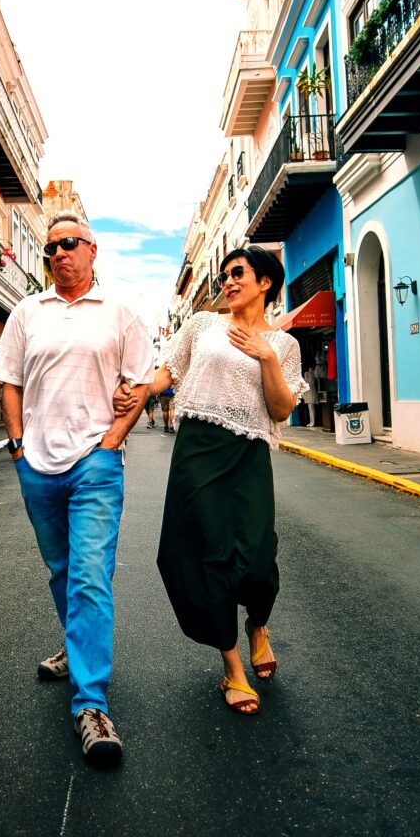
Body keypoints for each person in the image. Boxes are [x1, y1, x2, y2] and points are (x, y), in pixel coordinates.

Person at [0, 211, 153, 766]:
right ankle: (75, 645)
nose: (58, 253)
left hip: (95, 463)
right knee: (61, 571)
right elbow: (8, 381)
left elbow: (140, 385)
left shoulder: (120, 311)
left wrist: (113, 440)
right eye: (51, 247)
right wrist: (17, 447)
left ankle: (91, 705)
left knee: (88, 574)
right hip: (37, 463)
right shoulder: (26, 312)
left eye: (69, 244)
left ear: (92, 250)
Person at [115, 246, 306, 715]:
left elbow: (281, 409)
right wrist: (138, 389)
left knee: (259, 558)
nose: (228, 281)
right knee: (209, 555)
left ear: (265, 282)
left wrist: (267, 359)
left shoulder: (283, 345)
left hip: (249, 453)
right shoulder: (202, 325)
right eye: (224, 275)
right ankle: (232, 667)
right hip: (197, 451)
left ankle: (257, 625)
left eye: (238, 273)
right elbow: (169, 372)